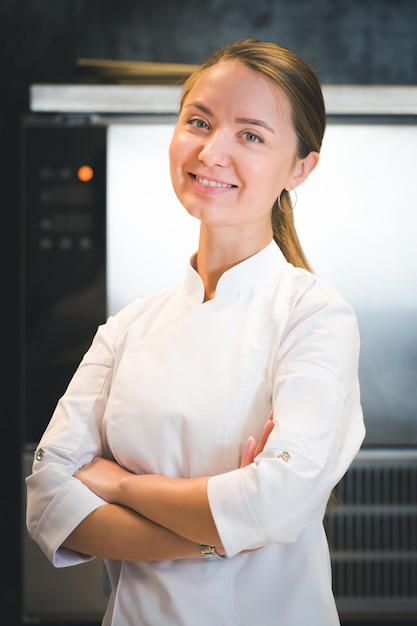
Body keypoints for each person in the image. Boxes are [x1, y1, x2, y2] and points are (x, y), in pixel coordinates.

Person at [26, 39, 365, 626]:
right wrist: (220, 531)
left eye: (251, 135)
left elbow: (276, 505)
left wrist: (123, 487)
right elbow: (48, 499)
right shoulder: (128, 328)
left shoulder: (314, 316)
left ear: (300, 168)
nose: (211, 152)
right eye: (199, 122)